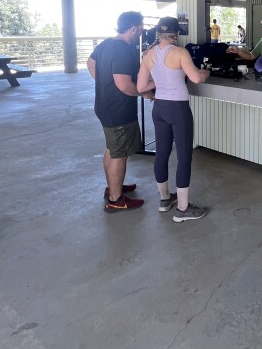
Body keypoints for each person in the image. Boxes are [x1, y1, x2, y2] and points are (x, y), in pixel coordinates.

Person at [137, 16, 211, 221]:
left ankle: (164, 199)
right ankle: (183, 208)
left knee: (161, 153)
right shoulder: (180, 52)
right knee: (184, 156)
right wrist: (205, 72)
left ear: (158, 34)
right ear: (176, 34)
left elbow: (141, 87)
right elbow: (195, 78)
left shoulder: (149, 54)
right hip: (178, 109)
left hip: (159, 108)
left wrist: (160, 83)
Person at [87, 12, 150, 212]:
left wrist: (105, 84)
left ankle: (113, 188)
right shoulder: (123, 49)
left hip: (104, 106)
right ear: (134, 29)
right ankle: (116, 199)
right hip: (119, 109)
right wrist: (145, 92)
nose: (141, 33)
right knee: (119, 155)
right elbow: (124, 85)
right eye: (141, 29)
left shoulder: (106, 44)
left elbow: (90, 63)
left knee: (112, 149)